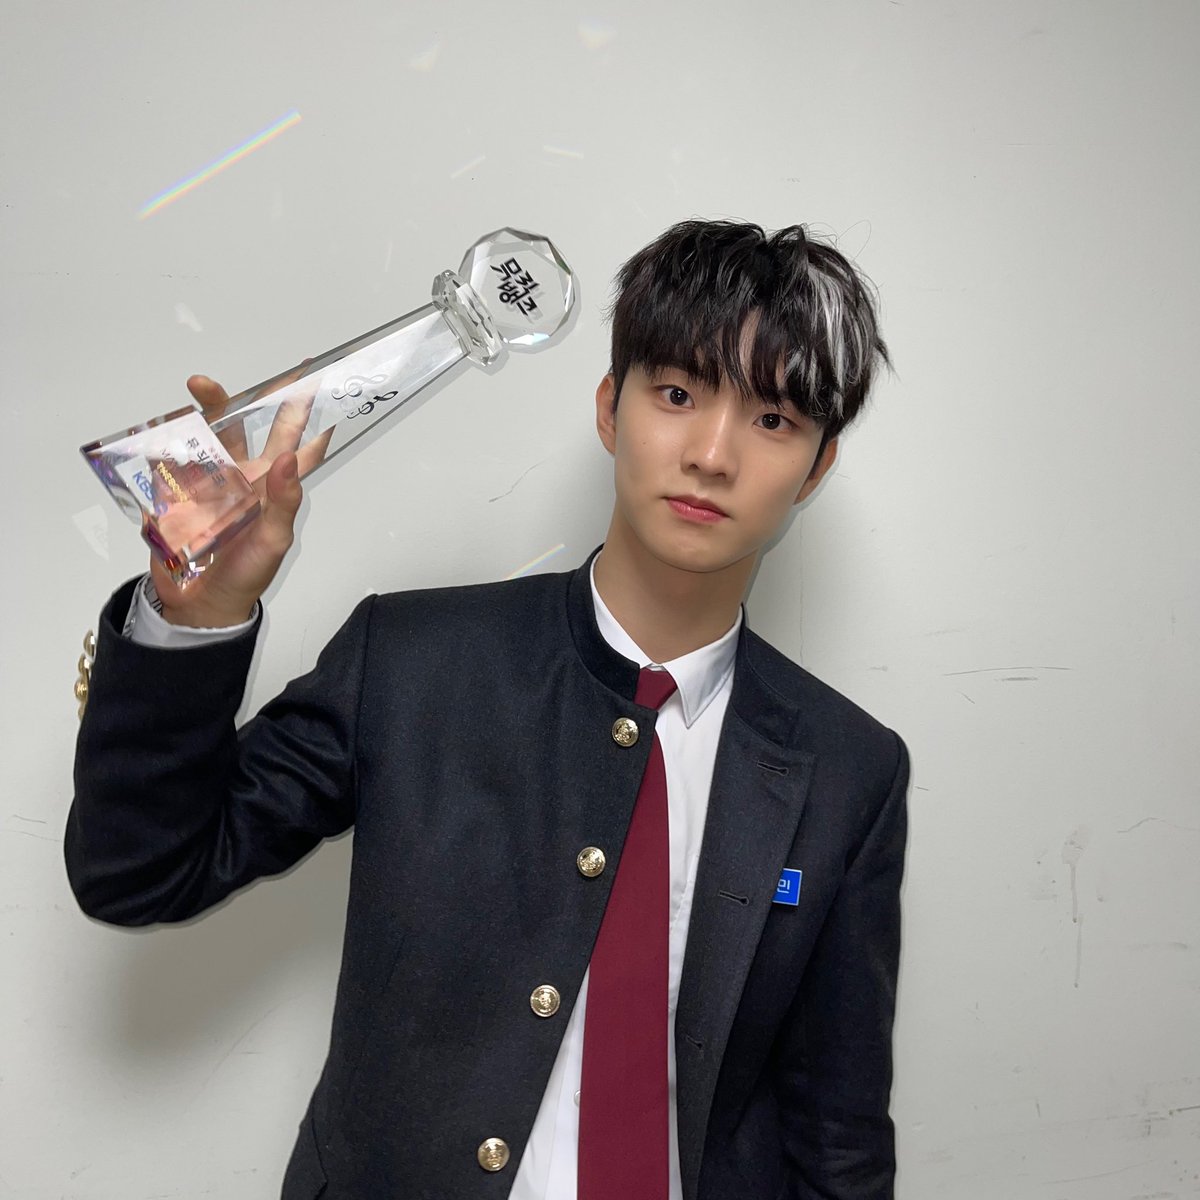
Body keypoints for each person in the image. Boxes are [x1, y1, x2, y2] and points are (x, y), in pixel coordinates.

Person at [66, 219, 910, 1200]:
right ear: (611, 408)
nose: (713, 455)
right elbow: (138, 874)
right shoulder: (413, 661)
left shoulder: (849, 769)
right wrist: (195, 615)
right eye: (678, 395)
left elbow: (837, 1136)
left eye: (773, 420)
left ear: (817, 468)